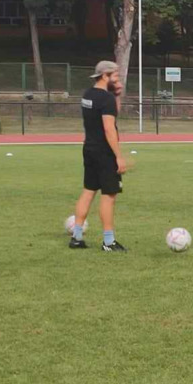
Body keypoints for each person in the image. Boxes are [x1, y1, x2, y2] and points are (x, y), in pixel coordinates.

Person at [69, 60, 127, 252]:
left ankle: (76, 237)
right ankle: (108, 242)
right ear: (105, 76)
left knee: (88, 191)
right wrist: (118, 156)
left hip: (89, 149)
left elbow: (111, 113)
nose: (118, 80)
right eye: (115, 76)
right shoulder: (105, 99)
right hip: (104, 152)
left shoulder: (88, 95)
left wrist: (116, 94)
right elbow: (109, 128)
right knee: (109, 195)